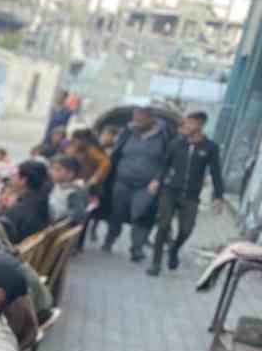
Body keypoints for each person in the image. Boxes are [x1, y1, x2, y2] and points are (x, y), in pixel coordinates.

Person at [148, 111, 224, 276]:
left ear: (199, 125)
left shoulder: (210, 147)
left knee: (186, 230)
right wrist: (156, 180)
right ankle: (155, 264)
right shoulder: (176, 144)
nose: (186, 126)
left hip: (191, 195)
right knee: (163, 225)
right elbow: (164, 165)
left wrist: (218, 197)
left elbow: (216, 173)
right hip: (170, 191)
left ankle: (174, 249)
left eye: (189, 123)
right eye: (185, 122)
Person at [103, 107, 169, 262]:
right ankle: (110, 239)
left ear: (150, 119)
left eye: (140, 119)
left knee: (142, 214)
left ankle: (136, 248)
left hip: (146, 185)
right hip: (123, 181)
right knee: (116, 213)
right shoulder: (128, 132)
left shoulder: (163, 136)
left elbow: (167, 161)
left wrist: (158, 179)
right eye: (135, 119)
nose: (136, 123)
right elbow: (116, 152)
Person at [0, 159, 52, 244]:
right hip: (33, 244)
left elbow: (1, 235)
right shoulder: (45, 196)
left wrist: (2, 208)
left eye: (15, 175)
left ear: (23, 180)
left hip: (16, 248)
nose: (11, 177)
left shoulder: (15, 212)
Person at [48, 154, 89, 226]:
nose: (52, 172)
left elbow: (76, 218)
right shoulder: (58, 185)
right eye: (52, 169)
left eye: (58, 170)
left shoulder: (74, 193)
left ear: (70, 173)